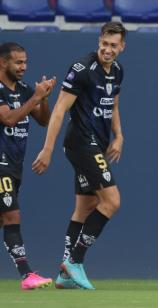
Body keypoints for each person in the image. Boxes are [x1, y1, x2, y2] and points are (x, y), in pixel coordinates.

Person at [32, 21, 127, 290]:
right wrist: (47, 150)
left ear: (122, 47)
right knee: (112, 201)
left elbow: (113, 103)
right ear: (99, 41)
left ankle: (64, 275)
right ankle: (75, 260)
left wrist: (119, 135)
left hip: (97, 142)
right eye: (104, 44)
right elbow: (60, 110)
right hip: (82, 143)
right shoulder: (82, 68)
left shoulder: (117, 71)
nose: (107, 50)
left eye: (113, 45)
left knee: (85, 207)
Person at [0, 42, 55, 290]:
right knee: (12, 216)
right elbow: (9, 119)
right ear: (3, 62)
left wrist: (43, 99)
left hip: (14, 165)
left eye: (25, 62)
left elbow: (43, 120)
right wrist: (35, 96)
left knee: (5, 219)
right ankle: (27, 275)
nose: (24, 67)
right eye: (18, 62)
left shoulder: (23, 89)